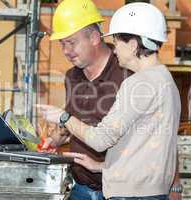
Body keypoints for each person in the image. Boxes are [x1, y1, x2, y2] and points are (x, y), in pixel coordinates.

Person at [38, 2, 182, 200]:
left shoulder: (135, 80)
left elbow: (101, 140)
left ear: (132, 45)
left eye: (71, 42)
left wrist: (64, 117)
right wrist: (102, 166)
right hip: (108, 184)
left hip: (129, 194)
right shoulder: (164, 79)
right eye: (62, 43)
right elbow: (146, 144)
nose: (115, 50)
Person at [42, 0, 133, 199]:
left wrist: (174, 184)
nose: (66, 51)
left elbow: (158, 134)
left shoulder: (128, 74)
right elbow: (71, 124)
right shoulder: (71, 77)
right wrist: (53, 140)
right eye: (62, 44)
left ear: (93, 37)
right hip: (80, 188)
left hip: (121, 190)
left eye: (71, 42)